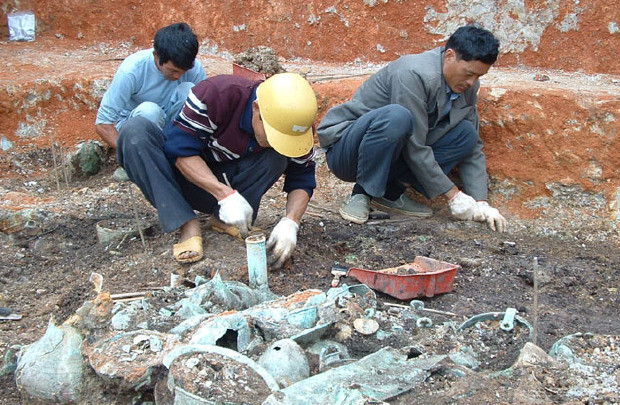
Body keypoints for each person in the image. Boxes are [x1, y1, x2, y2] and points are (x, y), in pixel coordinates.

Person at [316, 24, 507, 232]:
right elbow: (414, 143)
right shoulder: (413, 73)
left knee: (466, 134)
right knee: (397, 117)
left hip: (395, 153)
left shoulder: (467, 87)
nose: (472, 82)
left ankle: (390, 194)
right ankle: (361, 193)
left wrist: (481, 202)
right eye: (469, 73)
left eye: (479, 76)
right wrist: (453, 195)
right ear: (450, 56)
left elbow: (473, 148)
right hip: (348, 152)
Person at [117, 72, 319, 268]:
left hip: (231, 189)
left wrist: (291, 222)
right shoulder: (217, 95)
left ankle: (223, 220)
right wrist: (224, 195)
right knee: (134, 131)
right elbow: (179, 150)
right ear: (256, 109)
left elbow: (303, 175)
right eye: (272, 134)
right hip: (176, 180)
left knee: (277, 155)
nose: (275, 141)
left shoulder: (296, 128)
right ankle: (187, 223)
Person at [95, 22, 206, 179]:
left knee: (190, 92)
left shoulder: (194, 68)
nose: (178, 77)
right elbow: (103, 123)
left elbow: (208, 109)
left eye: (183, 71)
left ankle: (181, 154)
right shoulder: (132, 70)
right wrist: (129, 154)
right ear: (157, 56)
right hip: (138, 127)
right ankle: (144, 162)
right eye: (173, 71)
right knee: (149, 111)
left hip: (170, 126)